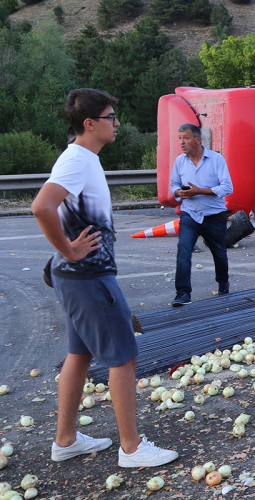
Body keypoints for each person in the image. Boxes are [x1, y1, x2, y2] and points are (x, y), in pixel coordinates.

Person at [31, 88, 178, 468]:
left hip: (77, 277)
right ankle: (131, 448)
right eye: (111, 117)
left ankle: (65, 440)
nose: (117, 123)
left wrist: (65, 253)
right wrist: (68, 249)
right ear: (89, 123)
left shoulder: (83, 159)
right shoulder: (78, 160)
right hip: (88, 276)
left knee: (78, 356)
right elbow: (41, 206)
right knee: (124, 356)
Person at [168, 123, 234, 307]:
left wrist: (200, 191)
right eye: (180, 138)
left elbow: (227, 188)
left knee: (219, 253)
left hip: (214, 215)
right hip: (189, 213)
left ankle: (223, 285)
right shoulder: (180, 161)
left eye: (186, 138)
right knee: (183, 250)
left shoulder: (216, 159)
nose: (182, 142)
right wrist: (178, 192)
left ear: (198, 140)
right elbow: (173, 184)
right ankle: (182, 294)